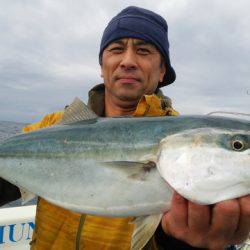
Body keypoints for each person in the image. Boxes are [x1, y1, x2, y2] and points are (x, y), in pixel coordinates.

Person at [1, 6, 249, 250]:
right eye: (116, 49)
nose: (128, 61)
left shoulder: (180, 130)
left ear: (162, 70)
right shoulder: (52, 125)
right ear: (102, 66)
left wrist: (182, 242)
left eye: (143, 51)